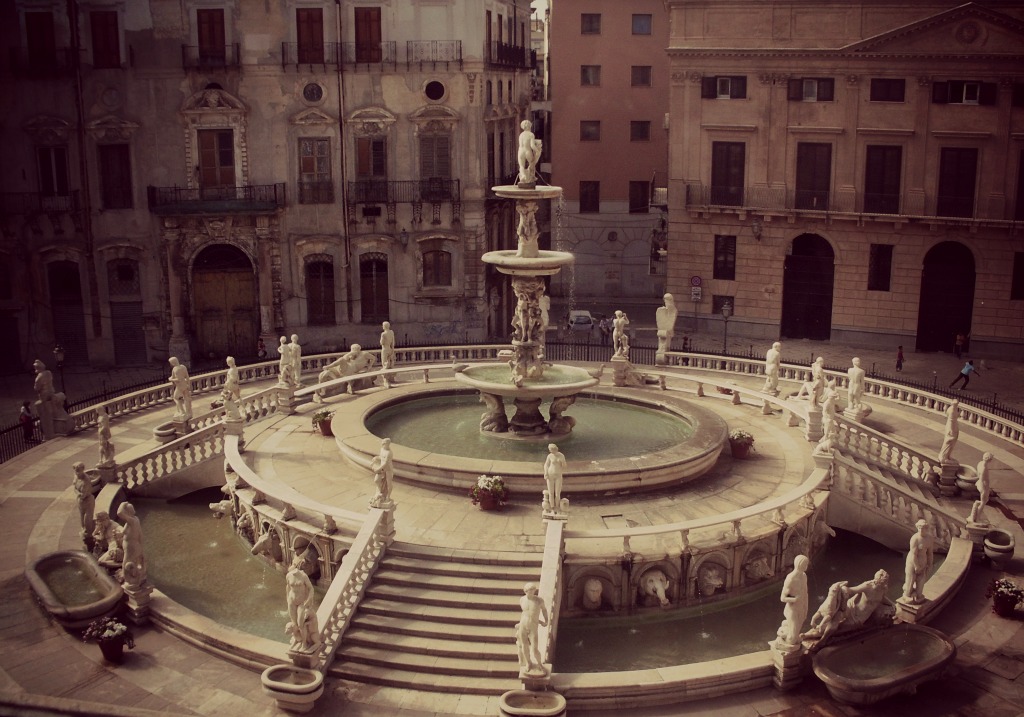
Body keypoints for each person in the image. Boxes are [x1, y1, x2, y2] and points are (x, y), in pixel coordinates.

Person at [285, 555, 319, 651]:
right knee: (294, 623)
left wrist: (309, 599)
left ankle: (304, 643)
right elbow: (287, 587)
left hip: (301, 602)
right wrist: (287, 598)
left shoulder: (303, 576)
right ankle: (297, 640)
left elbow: (311, 588)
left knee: (301, 624)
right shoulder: (288, 575)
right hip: (292, 600)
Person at [515, 583, 549, 674]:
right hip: (523, 625)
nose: (531, 593)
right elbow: (524, 613)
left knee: (534, 649)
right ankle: (528, 663)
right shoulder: (522, 599)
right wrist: (519, 623)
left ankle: (539, 664)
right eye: (529, 592)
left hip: (533, 626)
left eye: (533, 591)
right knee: (524, 647)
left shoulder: (539, 600)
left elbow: (544, 610)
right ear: (525, 591)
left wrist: (546, 620)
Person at [776, 555, 810, 647]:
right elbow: (782, 598)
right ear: (800, 565)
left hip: (802, 606)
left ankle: (786, 625)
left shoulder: (804, 576)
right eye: (805, 564)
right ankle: (782, 632)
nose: (807, 566)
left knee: (795, 636)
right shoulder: (790, 579)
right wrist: (795, 599)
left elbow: (805, 592)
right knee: (792, 641)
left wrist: (805, 606)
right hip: (792, 609)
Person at [902, 519, 934, 604]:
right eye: (919, 528)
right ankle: (907, 594)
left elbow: (930, 553)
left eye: (923, 528)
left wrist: (930, 564)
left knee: (920, 590)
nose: (921, 530)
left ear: (926, 529)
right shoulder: (915, 538)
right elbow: (913, 554)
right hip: (912, 563)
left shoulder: (929, 539)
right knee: (910, 583)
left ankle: (917, 594)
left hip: (923, 561)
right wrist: (916, 566)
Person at [117, 502, 146, 590]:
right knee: (133, 562)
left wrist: (122, 504)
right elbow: (139, 534)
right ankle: (135, 577)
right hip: (133, 545)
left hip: (131, 546)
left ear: (127, 513)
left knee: (126, 562)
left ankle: (128, 579)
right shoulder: (135, 519)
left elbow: (119, 513)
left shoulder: (132, 520)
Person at [73, 462, 95, 542]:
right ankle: (85, 534)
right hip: (80, 501)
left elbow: (83, 495)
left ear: (82, 470)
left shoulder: (86, 480)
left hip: (88, 501)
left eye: (79, 470)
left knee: (87, 520)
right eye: (76, 470)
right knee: (82, 520)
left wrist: (78, 493)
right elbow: (74, 489)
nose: (77, 472)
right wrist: (78, 493)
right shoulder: (76, 477)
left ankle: (89, 536)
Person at [543, 443, 566, 510]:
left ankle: (557, 506)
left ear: (555, 449)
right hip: (550, 476)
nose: (551, 451)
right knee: (551, 493)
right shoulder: (549, 456)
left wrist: (562, 462)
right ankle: (552, 507)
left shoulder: (561, 455)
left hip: (558, 476)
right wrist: (546, 473)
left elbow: (565, 466)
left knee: (557, 493)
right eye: (550, 450)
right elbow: (546, 465)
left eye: (551, 450)